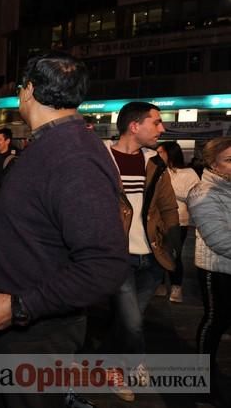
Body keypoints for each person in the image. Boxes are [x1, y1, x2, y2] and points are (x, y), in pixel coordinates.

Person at [0, 52, 128, 408]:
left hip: (36, 336)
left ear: (27, 92)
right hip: (20, 328)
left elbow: (105, 264)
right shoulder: (53, 143)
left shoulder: (75, 156)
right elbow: (50, 203)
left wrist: (21, 307)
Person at [102, 102, 181, 401]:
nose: (162, 128)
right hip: (117, 255)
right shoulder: (102, 159)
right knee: (133, 323)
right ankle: (127, 365)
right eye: (157, 122)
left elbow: (169, 207)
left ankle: (119, 362)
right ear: (135, 126)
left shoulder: (155, 163)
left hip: (152, 257)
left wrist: (173, 244)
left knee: (129, 320)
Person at [187, 136, 231, 407]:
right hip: (216, 270)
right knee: (215, 322)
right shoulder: (202, 192)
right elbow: (217, 238)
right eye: (229, 160)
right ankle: (202, 378)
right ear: (212, 163)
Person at [154, 141, 199, 302]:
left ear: (170, 154)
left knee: (174, 255)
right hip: (157, 220)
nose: (157, 154)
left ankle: (176, 287)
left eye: (160, 152)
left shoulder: (188, 173)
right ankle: (158, 284)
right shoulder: (158, 170)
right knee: (156, 252)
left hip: (179, 221)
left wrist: (168, 192)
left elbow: (194, 196)